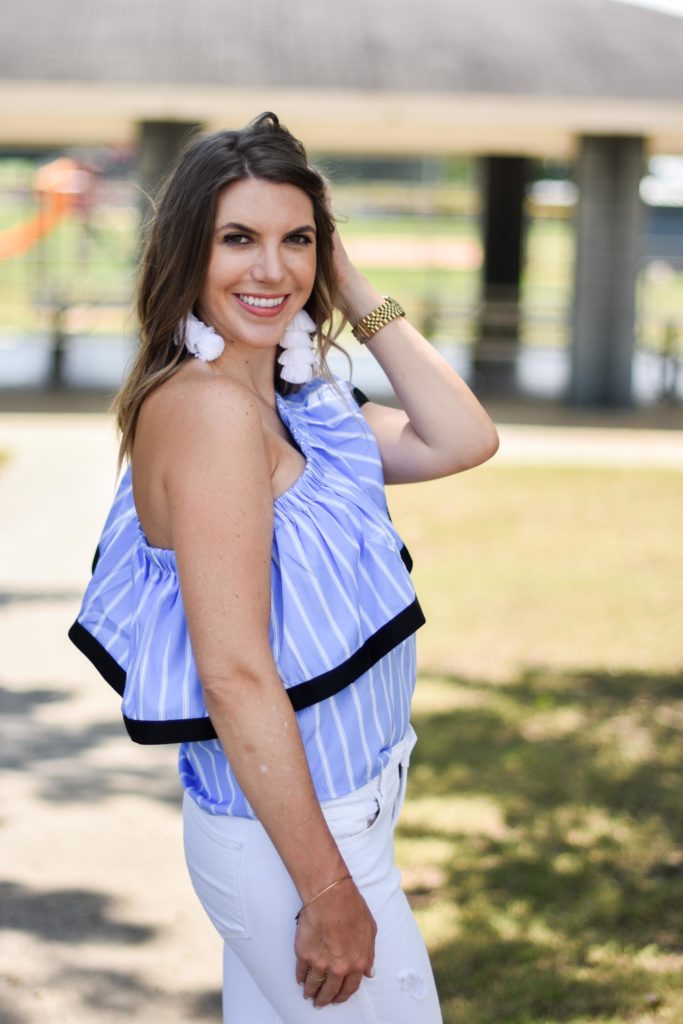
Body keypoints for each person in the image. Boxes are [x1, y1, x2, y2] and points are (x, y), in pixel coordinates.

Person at [69, 112, 499, 1022]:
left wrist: (345, 279)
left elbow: (462, 437)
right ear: (189, 251)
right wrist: (329, 890)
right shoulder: (207, 415)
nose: (271, 270)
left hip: (341, 814)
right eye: (238, 240)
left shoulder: (299, 404)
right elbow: (232, 674)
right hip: (296, 844)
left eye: (294, 240)